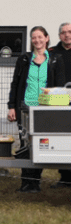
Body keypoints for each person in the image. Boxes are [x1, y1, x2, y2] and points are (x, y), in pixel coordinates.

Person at [6, 26, 56, 193]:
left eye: (40, 37)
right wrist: (11, 106)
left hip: (46, 110)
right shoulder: (24, 59)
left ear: (47, 38)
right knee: (25, 145)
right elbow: (15, 83)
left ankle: (36, 182)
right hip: (25, 109)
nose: (37, 40)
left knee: (41, 145)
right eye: (34, 38)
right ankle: (25, 182)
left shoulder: (53, 59)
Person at [50, 22, 71, 188]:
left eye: (70, 32)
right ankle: (65, 177)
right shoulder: (52, 53)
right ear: (59, 36)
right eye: (63, 33)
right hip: (60, 100)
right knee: (62, 138)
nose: (67, 35)